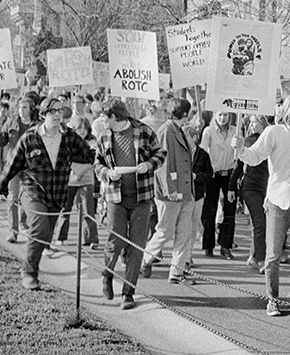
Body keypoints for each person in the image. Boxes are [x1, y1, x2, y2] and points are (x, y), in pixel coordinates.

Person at [0, 97, 94, 290]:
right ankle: (29, 273)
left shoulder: (70, 137)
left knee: (45, 235)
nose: (57, 115)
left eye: (60, 111)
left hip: (57, 195)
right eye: (52, 111)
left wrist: (98, 165)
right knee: (39, 230)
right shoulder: (30, 137)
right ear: (42, 114)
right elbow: (12, 164)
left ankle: (32, 263)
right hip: (33, 191)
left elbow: (90, 154)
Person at [231, 95, 290, 319]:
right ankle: (272, 299)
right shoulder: (273, 132)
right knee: (272, 255)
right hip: (278, 202)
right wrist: (241, 149)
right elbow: (254, 157)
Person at [95, 98, 166, 310]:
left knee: (137, 246)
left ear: (115, 117)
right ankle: (107, 273)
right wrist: (107, 173)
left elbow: (160, 154)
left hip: (141, 197)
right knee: (115, 241)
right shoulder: (104, 135)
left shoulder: (143, 131)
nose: (101, 120)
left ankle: (128, 292)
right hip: (115, 197)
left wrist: (148, 165)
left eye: (104, 116)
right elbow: (97, 163)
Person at [141, 97, 196, 284]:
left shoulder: (177, 130)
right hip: (171, 193)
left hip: (186, 191)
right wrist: (169, 188)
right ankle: (144, 260)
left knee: (183, 233)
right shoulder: (166, 130)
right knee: (164, 231)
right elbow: (162, 162)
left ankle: (176, 272)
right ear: (185, 113)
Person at [230, 114, 271, 273]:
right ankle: (260, 260)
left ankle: (253, 256)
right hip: (251, 187)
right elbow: (238, 166)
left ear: (263, 123)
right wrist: (231, 187)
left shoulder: (270, 139)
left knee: (261, 223)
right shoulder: (248, 141)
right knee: (259, 221)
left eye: (255, 122)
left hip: (267, 187)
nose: (252, 124)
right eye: (251, 122)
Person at [52, 118, 100, 249]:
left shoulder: (93, 141)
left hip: (87, 179)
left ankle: (92, 238)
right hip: (70, 179)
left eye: (84, 128)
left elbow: (92, 158)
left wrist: (79, 163)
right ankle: (61, 237)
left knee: (88, 210)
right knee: (65, 209)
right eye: (79, 128)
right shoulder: (69, 140)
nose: (82, 131)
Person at [0, 96, 37, 243]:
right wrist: (1, 134)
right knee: (13, 197)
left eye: (25, 107)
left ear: (31, 109)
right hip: (13, 165)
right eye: (20, 107)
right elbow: (2, 142)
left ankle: (24, 222)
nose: (22, 110)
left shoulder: (37, 125)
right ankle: (13, 232)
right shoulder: (11, 123)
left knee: (29, 196)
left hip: (30, 166)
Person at [200, 111, 238, 259]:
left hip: (229, 174)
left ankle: (226, 245)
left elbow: (240, 152)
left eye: (226, 115)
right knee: (210, 209)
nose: (223, 118)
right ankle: (208, 245)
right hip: (213, 174)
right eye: (220, 115)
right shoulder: (208, 131)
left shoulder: (235, 130)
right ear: (215, 116)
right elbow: (203, 151)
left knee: (230, 210)